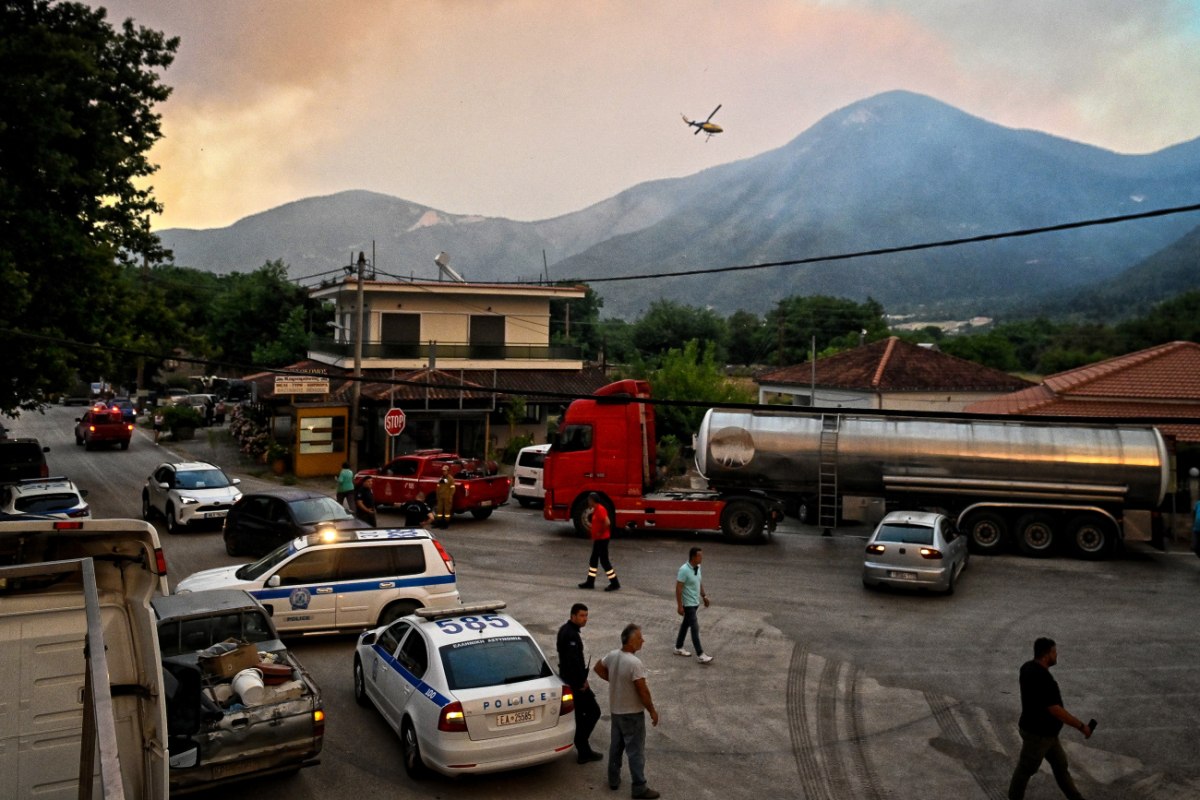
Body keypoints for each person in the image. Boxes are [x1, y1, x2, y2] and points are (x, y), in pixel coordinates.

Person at [1007, 637, 1091, 800]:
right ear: (1046, 655)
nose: (1056, 654)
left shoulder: (1026, 668)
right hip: (1038, 735)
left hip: (1045, 734)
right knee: (1025, 769)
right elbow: (1055, 710)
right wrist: (1081, 726)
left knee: (1061, 766)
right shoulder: (1046, 680)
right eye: (1054, 652)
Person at [593, 623, 659, 799]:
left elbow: (598, 668)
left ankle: (613, 779)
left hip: (616, 711)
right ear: (631, 642)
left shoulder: (613, 655)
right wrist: (652, 710)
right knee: (635, 751)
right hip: (632, 714)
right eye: (639, 638)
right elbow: (642, 690)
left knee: (616, 746)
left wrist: (615, 682)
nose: (642, 640)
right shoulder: (635, 663)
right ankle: (639, 786)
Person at [556, 603, 603, 764]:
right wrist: (582, 683)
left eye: (586, 615)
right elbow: (572, 662)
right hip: (575, 685)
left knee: (581, 714)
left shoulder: (567, 631)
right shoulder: (570, 635)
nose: (585, 619)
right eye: (582, 615)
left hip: (572, 682)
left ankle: (584, 750)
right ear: (573, 616)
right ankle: (580, 742)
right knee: (593, 712)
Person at [674, 546, 713, 664]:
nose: (702, 558)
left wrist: (704, 596)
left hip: (695, 602)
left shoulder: (698, 567)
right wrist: (680, 606)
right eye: (699, 556)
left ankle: (678, 647)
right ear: (693, 557)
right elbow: (678, 588)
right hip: (688, 604)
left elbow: (699, 581)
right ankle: (700, 654)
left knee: (685, 625)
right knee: (694, 628)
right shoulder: (684, 570)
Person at [578, 493, 619, 591]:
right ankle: (590, 582)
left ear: (592, 500)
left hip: (603, 539)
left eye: (589, 500)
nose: (588, 502)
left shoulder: (600, 509)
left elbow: (607, 522)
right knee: (593, 560)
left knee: (604, 561)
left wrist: (600, 532)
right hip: (598, 539)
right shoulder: (596, 510)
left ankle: (614, 583)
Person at [434, 464, 456, 528]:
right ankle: (439, 523)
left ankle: (446, 523)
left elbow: (453, 488)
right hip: (440, 497)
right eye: (443, 471)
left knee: (447, 511)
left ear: (448, 471)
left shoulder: (451, 479)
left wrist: (450, 496)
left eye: (445, 471)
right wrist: (437, 495)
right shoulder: (441, 478)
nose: (443, 472)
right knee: (439, 510)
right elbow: (438, 487)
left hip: (447, 497)